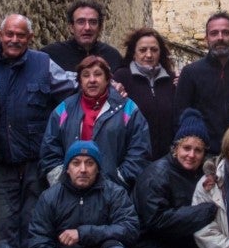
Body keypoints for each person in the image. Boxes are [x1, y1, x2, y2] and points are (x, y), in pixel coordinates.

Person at [0, 14, 77, 248]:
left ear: (29, 38)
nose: (14, 40)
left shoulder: (43, 64)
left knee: (35, 227)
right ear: (0, 35)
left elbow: (76, 86)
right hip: (0, 161)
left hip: (36, 162)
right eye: (9, 34)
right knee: (3, 228)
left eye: (20, 35)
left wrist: (112, 87)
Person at [128, 109, 215, 248]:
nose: (191, 155)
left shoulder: (201, 175)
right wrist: (205, 211)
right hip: (148, 245)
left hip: (178, 242)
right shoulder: (157, 174)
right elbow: (157, 220)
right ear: (175, 148)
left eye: (198, 150)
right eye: (186, 148)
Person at [40, 56, 150, 191]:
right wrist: (61, 181)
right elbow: (49, 149)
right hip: (70, 191)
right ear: (80, 81)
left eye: (98, 74)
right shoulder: (64, 109)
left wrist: (120, 179)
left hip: (112, 192)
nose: (92, 80)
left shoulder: (128, 109)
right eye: (86, 75)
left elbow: (140, 150)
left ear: (107, 79)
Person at [174, 11, 229, 154]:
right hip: (202, 156)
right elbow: (180, 116)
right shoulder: (191, 72)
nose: (220, 38)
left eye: (226, 33)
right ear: (206, 39)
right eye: (214, 33)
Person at [112, 28, 177, 160]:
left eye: (154, 50)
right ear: (133, 53)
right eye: (143, 50)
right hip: (132, 158)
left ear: (160, 53)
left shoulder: (171, 80)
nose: (149, 55)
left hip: (166, 160)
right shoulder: (122, 77)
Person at [40, 0, 125, 72]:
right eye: (81, 22)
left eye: (93, 22)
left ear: (100, 27)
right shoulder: (52, 55)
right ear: (71, 27)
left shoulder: (113, 57)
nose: (87, 27)